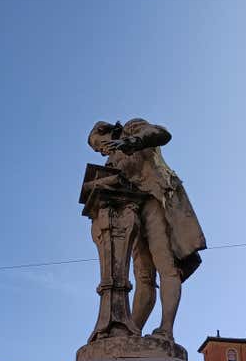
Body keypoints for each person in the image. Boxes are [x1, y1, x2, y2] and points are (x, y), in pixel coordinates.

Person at [87, 118, 206, 341]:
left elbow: (162, 133)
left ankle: (166, 330)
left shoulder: (132, 129)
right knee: (143, 277)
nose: (101, 151)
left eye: (99, 144)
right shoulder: (112, 160)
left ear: (107, 131)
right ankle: (132, 333)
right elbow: (117, 183)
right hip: (131, 214)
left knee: (166, 265)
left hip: (155, 200)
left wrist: (130, 142)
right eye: (97, 150)